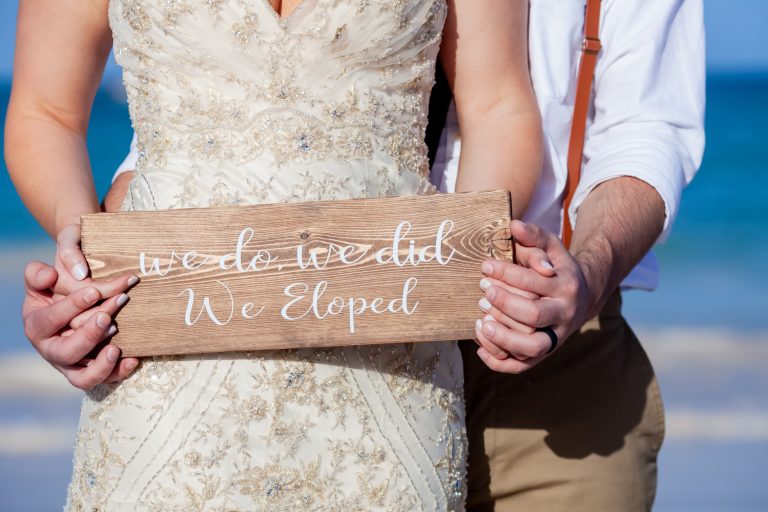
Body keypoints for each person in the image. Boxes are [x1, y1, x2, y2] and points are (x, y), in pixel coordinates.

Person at [16, 0, 706, 510]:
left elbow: (644, 128)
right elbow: (191, 114)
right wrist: (88, 263)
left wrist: (565, 268)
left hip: (526, 335)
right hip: (199, 330)